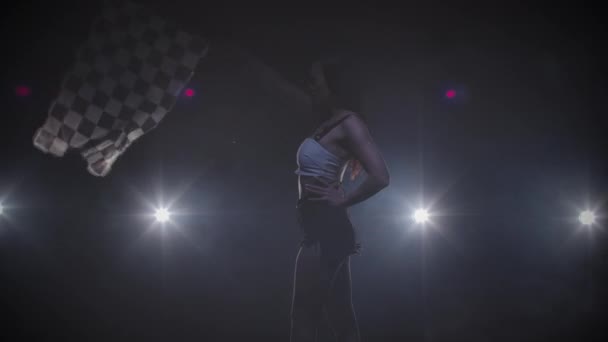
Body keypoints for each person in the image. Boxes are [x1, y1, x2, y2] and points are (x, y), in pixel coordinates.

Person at [290, 58, 390, 342]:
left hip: (324, 226)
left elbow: (381, 177)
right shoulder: (329, 122)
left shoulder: (350, 122)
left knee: (304, 316)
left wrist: (343, 201)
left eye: (315, 80)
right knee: (341, 318)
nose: (309, 85)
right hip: (317, 222)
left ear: (334, 86)